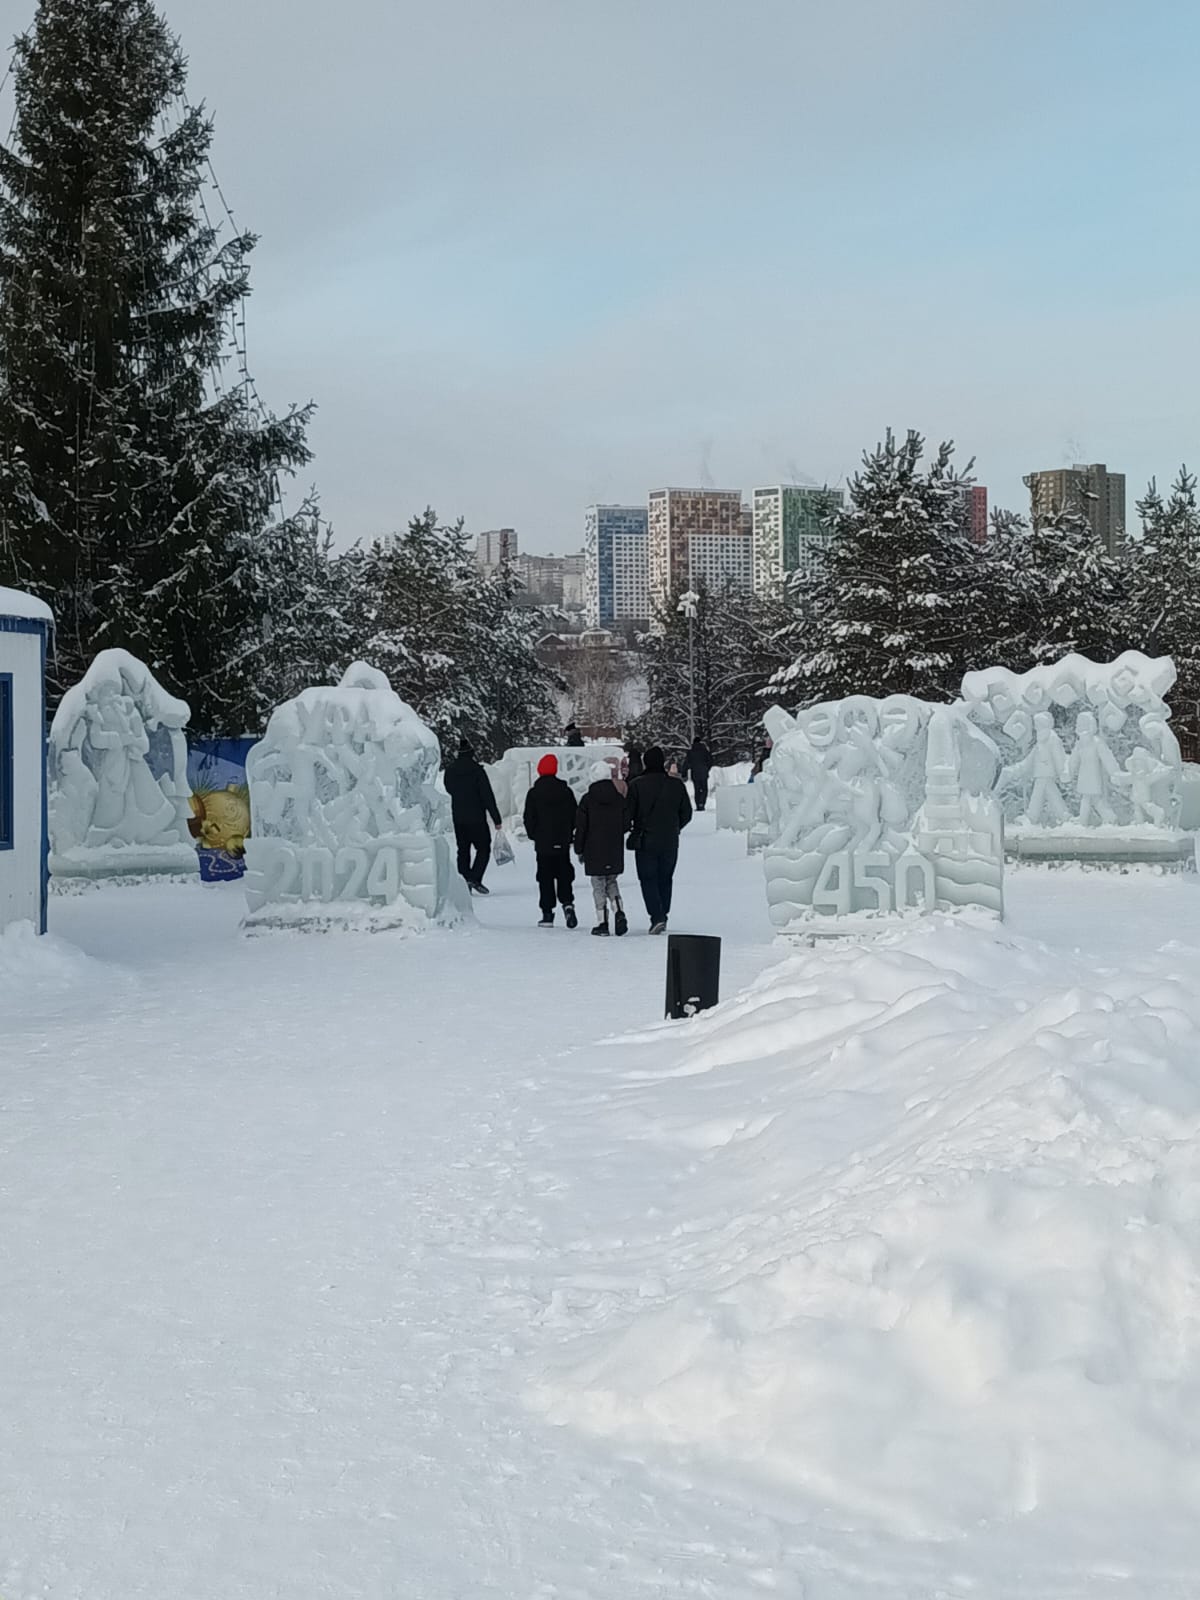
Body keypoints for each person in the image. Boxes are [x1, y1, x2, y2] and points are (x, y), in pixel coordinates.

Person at [627, 745, 692, 934]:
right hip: (670, 840)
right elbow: (686, 813)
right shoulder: (676, 785)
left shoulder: (636, 785)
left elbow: (628, 814)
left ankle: (656, 915)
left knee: (648, 878)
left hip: (645, 840)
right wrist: (674, 827)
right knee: (665, 878)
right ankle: (664, 913)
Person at [523, 754, 579, 928]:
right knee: (564, 874)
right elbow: (574, 815)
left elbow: (529, 818)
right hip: (562, 842)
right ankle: (568, 904)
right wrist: (569, 833)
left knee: (545, 877)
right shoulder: (566, 791)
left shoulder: (533, 793)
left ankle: (547, 913)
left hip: (543, 843)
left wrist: (534, 835)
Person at [574, 760, 629, 937]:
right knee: (611, 881)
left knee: (598, 885)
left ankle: (602, 922)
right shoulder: (619, 799)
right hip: (614, 847)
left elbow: (581, 826)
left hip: (593, 849)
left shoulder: (587, 800)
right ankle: (618, 910)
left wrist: (579, 848)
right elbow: (626, 823)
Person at [443, 739, 501, 894]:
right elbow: (487, 795)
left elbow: (448, 788)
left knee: (463, 849)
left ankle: (463, 882)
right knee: (483, 848)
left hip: (459, 816)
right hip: (476, 817)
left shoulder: (450, 770)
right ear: (471, 753)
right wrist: (496, 818)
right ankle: (474, 878)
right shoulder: (477, 771)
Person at [681, 735, 713, 812]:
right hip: (704, 773)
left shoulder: (690, 752)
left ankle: (698, 804)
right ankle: (702, 803)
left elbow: (686, 763)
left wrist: (684, 773)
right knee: (704, 789)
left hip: (695, 773)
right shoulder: (705, 751)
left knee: (697, 789)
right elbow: (710, 761)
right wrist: (706, 768)